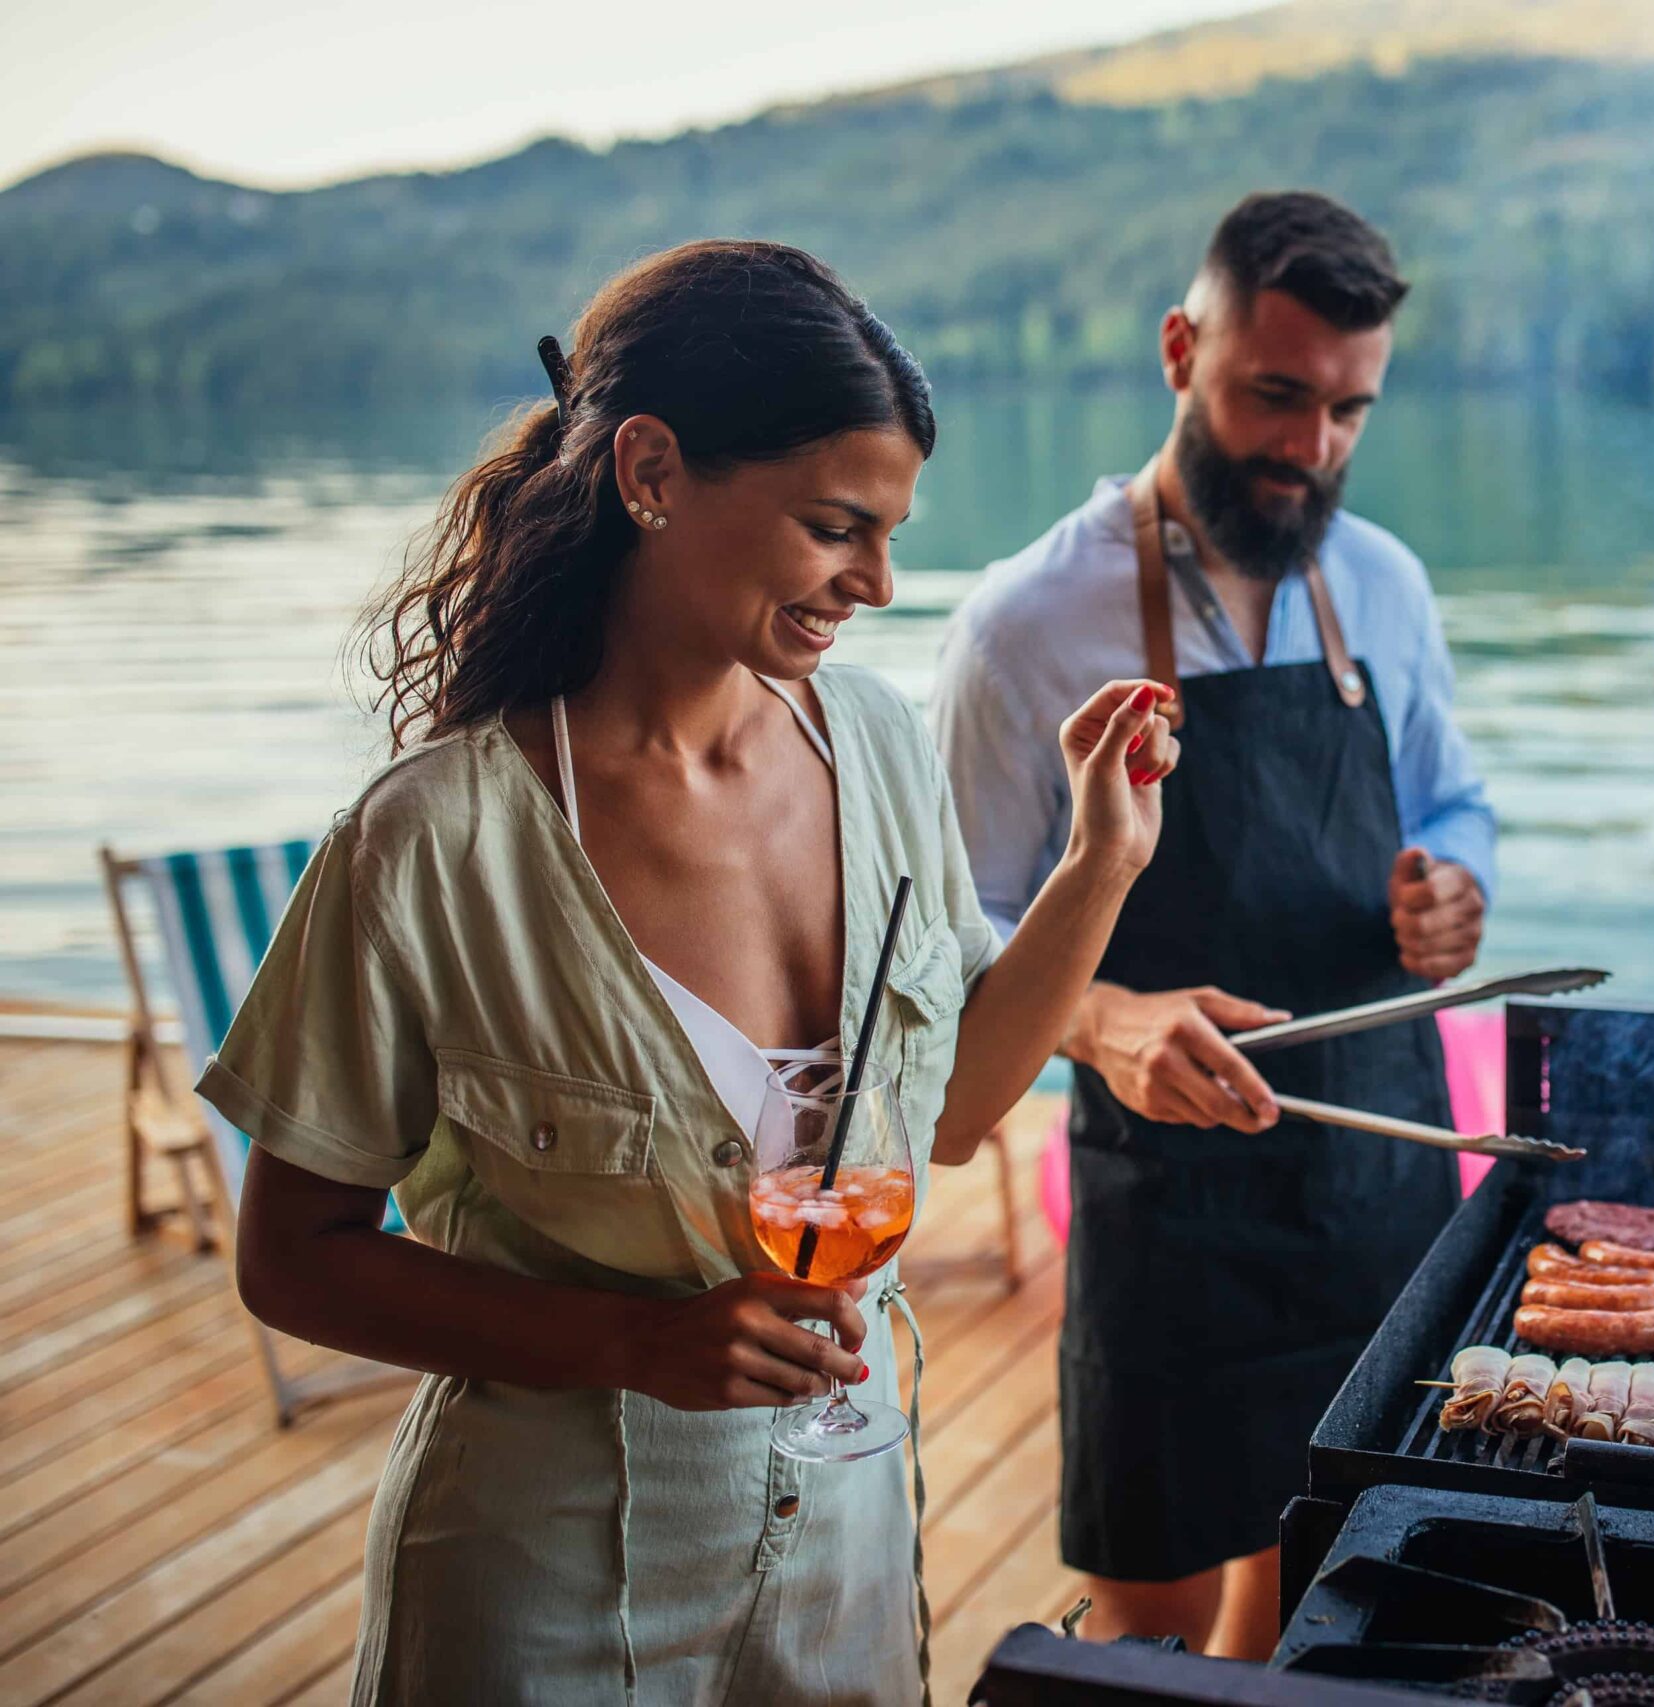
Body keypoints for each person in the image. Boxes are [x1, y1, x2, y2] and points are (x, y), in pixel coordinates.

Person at [200, 240, 1179, 1706]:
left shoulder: (879, 749)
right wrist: (635, 1338)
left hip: (845, 1545)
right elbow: (289, 1252)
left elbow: (962, 1111)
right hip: (542, 1579)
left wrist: (1101, 862)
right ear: (650, 471)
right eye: (836, 527)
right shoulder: (436, 841)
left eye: (893, 534)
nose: (883, 583)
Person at [930, 191, 1497, 1657]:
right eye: (1277, 396)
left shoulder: (1387, 586)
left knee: (1323, 1564)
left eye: (1350, 411)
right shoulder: (1025, 623)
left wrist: (1451, 886)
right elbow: (951, 934)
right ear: (1183, 349)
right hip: (1168, 1208)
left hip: (1381, 1178)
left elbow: (1453, 803)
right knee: (1145, 1619)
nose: (1312, 449)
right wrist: (1103, 1019)